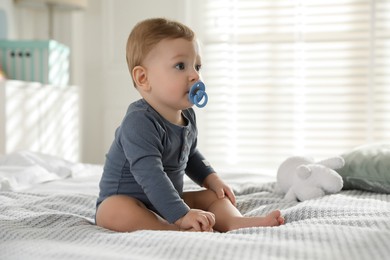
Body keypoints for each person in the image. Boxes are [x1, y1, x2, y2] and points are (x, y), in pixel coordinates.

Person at [95, 18, 285, 232]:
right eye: (180, 66)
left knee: (214, 196)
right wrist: (181, 214)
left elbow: (190, 154)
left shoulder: (187, 115)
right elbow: (151, 175)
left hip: (167, 201)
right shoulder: (138, 122)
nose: (195, 75)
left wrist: (212, 179)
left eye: (197, 66)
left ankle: (235, 222)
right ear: (143, 78)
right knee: (113, 210)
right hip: (132, 201)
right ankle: (174, 229)